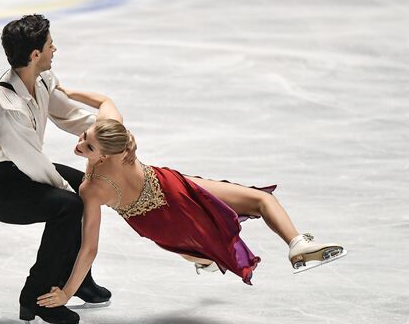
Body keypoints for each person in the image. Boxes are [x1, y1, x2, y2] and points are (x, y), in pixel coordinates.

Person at [36, 87, 347, 310]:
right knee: (243, 213)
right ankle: (292, 244)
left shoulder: (92, 188)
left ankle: (295, 247)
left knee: (221, 231)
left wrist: (67, 292)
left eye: (88, 146)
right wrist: (66, 92)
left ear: (106, 154)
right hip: (172, 192)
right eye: (83, 138)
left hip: (158, 217)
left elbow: (89, 249)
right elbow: (106, 100)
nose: (80, 146)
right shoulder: (114, 133)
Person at [0, 15, 134, 324]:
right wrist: (76, 195)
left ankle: (78, 278)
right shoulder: (8, 108)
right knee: (69, 205)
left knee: (84, 187)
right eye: (48, 45)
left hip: (22, 170)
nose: (54, 48)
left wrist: (113, 135)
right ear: (34, 55)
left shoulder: (42, 78)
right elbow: (35, 165)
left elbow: (69, 114)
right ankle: (37, 298)